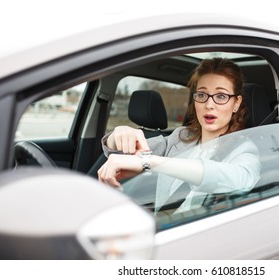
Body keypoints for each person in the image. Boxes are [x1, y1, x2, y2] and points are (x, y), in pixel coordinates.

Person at [98, 57, 261, 214]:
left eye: (221, 96)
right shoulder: (180, 137)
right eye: (202, 95)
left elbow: (241, 180)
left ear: (236, 103)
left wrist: (148, 162)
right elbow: (127, 155)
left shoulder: (245, 149)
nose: (209, 105)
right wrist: (116, 137)